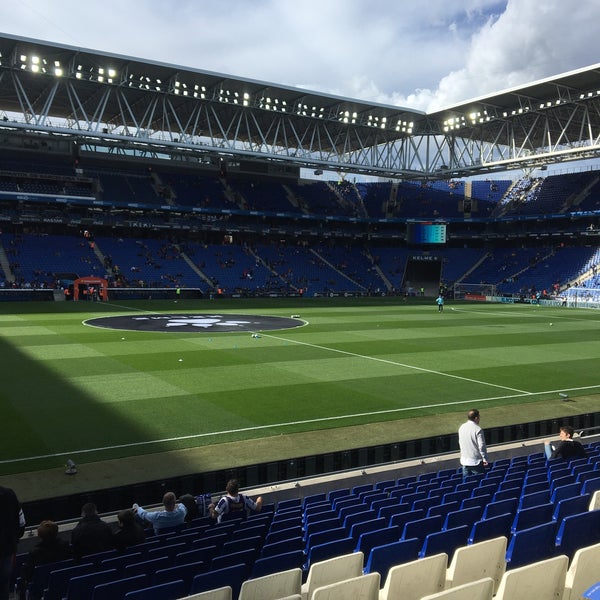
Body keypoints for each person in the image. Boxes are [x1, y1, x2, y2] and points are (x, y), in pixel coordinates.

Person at [18, 521, 71, 599]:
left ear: (40, 535)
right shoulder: (65, 545)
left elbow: (27, 576)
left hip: (40, 589)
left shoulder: (35, 553)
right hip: (62, 584)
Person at [0, 486, 25, 600]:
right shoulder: (9, 494)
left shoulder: (9, 494)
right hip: (7, 550)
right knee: (4, 584)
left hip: (7, 550)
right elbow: (21, 521)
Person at [458, 409, 489, 477]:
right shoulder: (477, 429)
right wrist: (485, 459)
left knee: (466, 484)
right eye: (479, 417)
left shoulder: (461, 427)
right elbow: (481, 446)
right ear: (476, 418)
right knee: (478, 482)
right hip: (476, 462)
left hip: (465, 461)